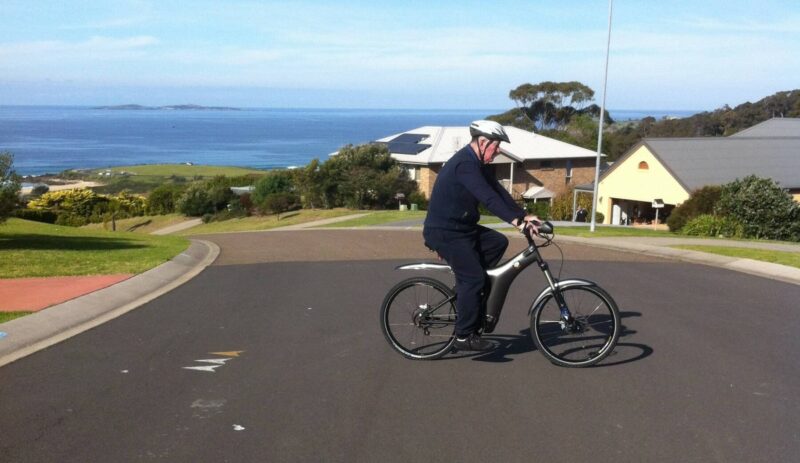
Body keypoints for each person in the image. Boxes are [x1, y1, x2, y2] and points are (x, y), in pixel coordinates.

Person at [423, 120, 539, 352]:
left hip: (461, 229)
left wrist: (523, 215)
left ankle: (467, 293)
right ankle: (464, 336)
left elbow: (497, 191)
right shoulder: (465, 165)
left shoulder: (480, 164)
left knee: (498, 242)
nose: (498, 151)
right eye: (496, 147)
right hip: (445, 231)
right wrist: (516, 222)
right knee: (474, 278)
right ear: (483, 142)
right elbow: (488, 198)